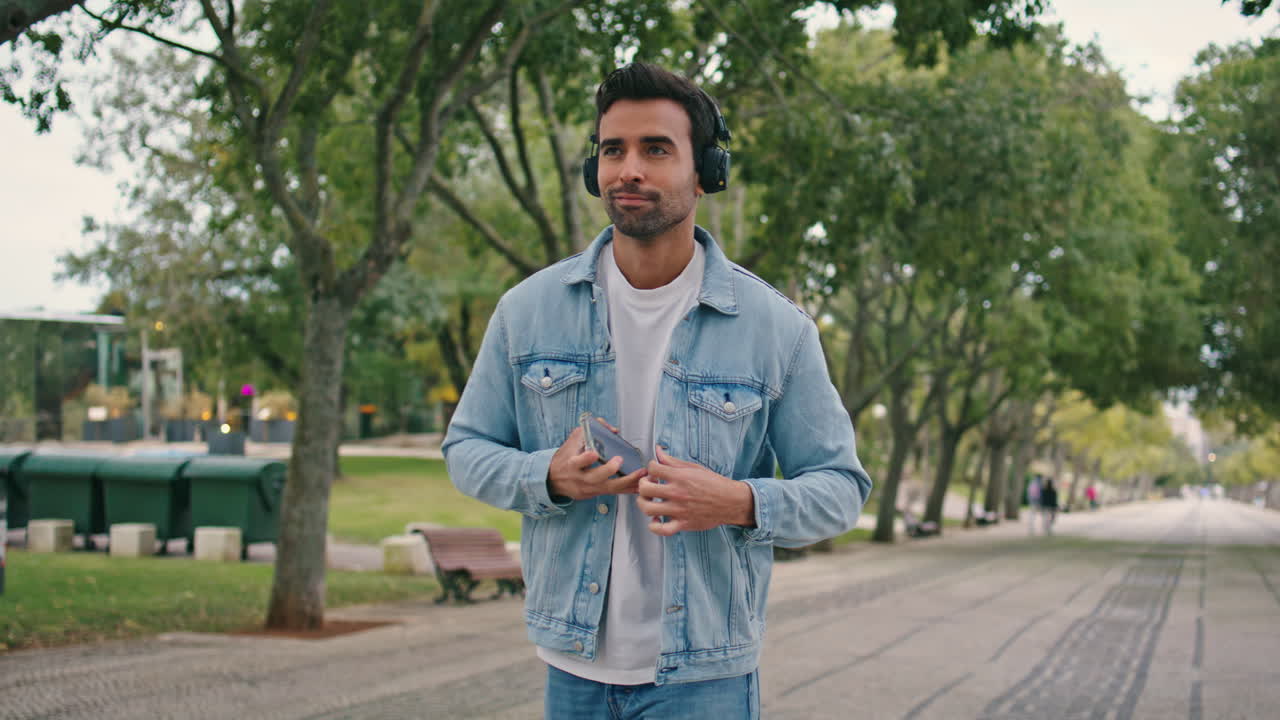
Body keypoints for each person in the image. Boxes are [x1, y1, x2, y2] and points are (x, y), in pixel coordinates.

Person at [442, 62, 871, 719]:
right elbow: (466, 449)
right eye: (612, 150)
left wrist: (738, 501)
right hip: (572, 668)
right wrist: (546, 477)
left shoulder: (775, 328)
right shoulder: (526, 312)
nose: (628, 170)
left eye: (655, 149)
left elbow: (842, 487)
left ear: (706, 173)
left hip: (705, 678)